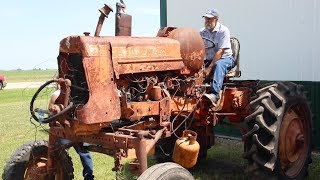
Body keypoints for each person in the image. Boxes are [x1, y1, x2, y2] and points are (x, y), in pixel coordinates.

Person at [49, 87, 94, 180]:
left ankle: (61, 174)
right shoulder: (82, 93)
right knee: (84, 153)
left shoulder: (55, 95)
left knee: (59, 153)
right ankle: (88, 177)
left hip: (66, 130)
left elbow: (51, 113)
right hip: (79, 129)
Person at [200, 9, 234, 106]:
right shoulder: (202, 32)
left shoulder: (223, 31)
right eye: (206, 18)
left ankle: (215, 95)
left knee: (218, 65)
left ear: (216, 19)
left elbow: (220, 51)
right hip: (209, 59)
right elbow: (200, 50)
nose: (207, 21)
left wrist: (209, 68)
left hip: (225, 58)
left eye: (210, 19)